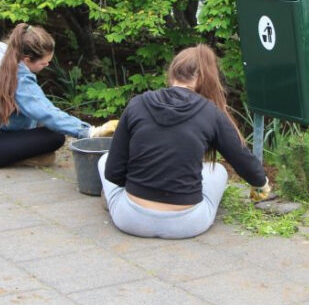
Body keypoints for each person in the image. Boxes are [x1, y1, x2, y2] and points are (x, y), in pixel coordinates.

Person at [99, 44, 271, 239]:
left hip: (131, 220)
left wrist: (138, 185)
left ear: (172, 74)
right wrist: (261, 184)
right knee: (219, 171)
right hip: (187, 225)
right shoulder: (211, 112)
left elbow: (113, 172)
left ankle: (120, 200)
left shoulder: (137, 103)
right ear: (204, 77)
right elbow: (241, 158)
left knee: (104, 159)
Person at [0, 23, 118, 168]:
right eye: (44, 63)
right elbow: (45, 111)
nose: (48, 65)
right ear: (27, 59)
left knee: (36, 123)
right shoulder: (18, 76)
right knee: (54, 137)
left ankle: (18, 154)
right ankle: (22, 158)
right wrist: (91, 132)